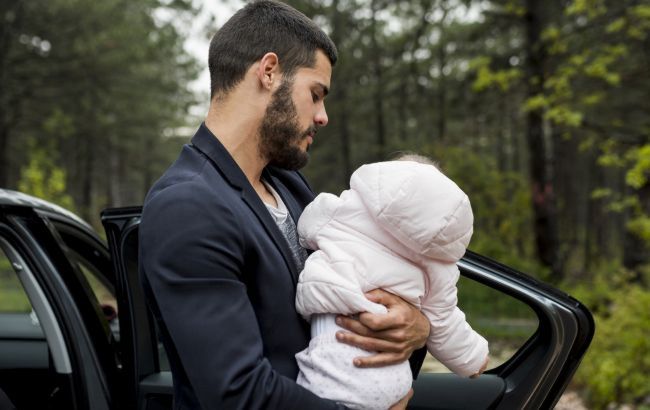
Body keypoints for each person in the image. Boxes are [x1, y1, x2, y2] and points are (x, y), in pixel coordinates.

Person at [138, 1, 430, 409]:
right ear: (269, 71)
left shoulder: (289, 184)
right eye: (316, 94)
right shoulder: (186, 207)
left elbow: (351, 290)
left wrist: (416, 327)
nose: (323, 116)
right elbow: (236, 392)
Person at [294, 155, 489, 409]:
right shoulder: (438, 264)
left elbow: (306, 228)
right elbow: (445, 321)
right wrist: (473, 359)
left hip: (331, 354)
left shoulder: (345, 211)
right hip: (391, 378)